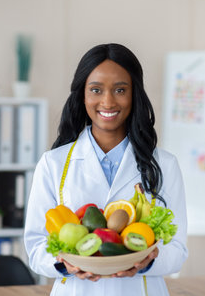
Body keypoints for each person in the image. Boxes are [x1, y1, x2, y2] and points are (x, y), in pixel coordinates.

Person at [24, 43, 188, 296]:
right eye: (96, 90)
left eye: (120, 90)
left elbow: (177, 249)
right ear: (83, 95)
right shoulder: (53, 164)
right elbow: (35, 247)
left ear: (135, 95)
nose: (108, 101)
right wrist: (64, 264)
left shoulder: (164, 165)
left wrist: (150, 260)